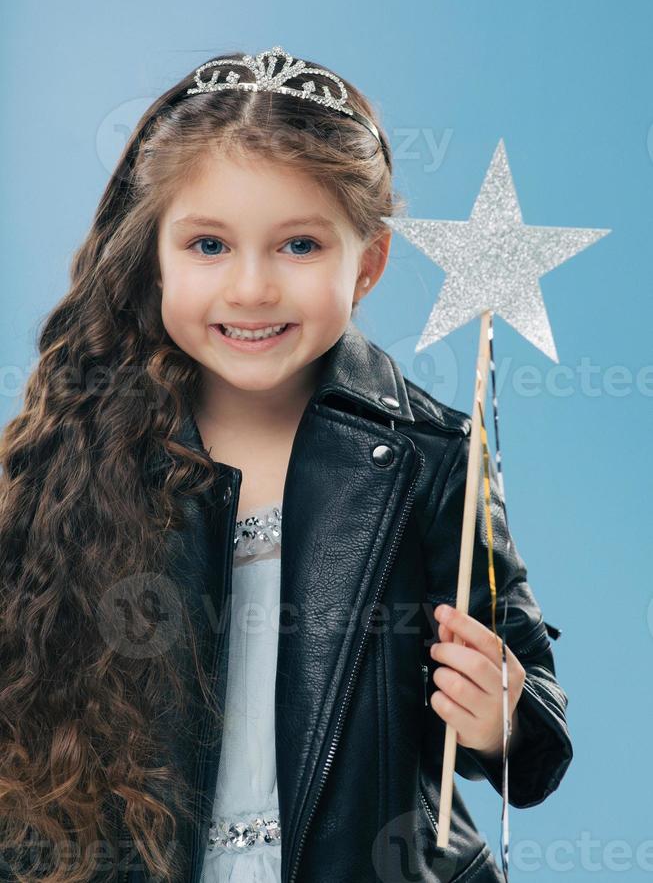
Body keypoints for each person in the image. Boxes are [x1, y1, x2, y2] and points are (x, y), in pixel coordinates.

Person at [0, 46, 573, 883]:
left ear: (367, 262)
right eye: (207, 245)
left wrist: (502, 716)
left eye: (299, 245)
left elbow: (534, 727)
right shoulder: (78, 455)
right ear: (152, 255)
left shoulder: (430, 457)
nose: (252, 287)